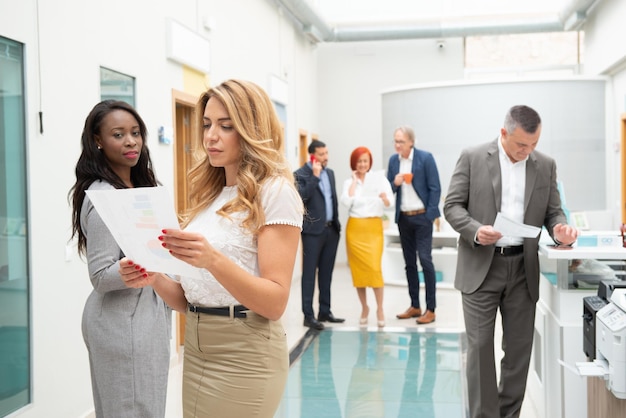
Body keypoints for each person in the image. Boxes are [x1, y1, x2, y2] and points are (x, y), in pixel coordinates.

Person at [119, 79, 303, 418]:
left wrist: (212, 259)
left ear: (251, 129)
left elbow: (275, 302)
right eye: (206, 124)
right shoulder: (211, 196)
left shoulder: (275, 191)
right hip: (199, 345)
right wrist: (155, 275)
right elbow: (188, 301)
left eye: (226, 126)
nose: (210, 136)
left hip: (246, 354)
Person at [443, 105, 578, 418]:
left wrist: (561, 231)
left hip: (522, 269)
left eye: (534, 145)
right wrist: (476, 230)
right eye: (521, 145)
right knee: (479, 350)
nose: (527, 151)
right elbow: (452, 207)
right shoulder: (473, 157)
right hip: (481, 266)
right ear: (504, 133)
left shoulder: (545, 165)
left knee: (518, 353)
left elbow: (553, 212)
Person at [69, 100, 171, 417]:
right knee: (132, 410)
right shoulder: (104, 197)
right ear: (98, 141)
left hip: (147, 317)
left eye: (135, 132)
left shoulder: (140, 187)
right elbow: (100, 275)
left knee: (145, 407)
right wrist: (129, 269)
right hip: (121, 322)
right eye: (118, 134)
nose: (131, 141)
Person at [387, 126, 441, 325]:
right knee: (409, 263)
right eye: (395, 141)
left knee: (425, 261)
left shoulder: (425, 158)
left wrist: (429, 215)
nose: (397, 145)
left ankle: (431, 309)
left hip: (422, 218)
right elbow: (387, 188)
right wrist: (395, 182)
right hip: (404, 218)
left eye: (401, 141)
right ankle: (415, 305)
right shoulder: (394, 161)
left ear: (411, 142)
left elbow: (435, 188)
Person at [294, 139, 345, 330]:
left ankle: (325, 311)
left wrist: (337, 225)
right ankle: (308, 315)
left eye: (327, 153)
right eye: (322, 154)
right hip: (312, 233)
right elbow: (301, 198)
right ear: (313, 156)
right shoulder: (300, 174)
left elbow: (333, 200)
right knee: (309, 275)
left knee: (326, 273)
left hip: (331, 230)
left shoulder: (330, 173)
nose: (326, 157)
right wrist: (314, 177)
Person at [340, 146, 393, 327]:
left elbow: (389, 203)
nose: (363, 164)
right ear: (354, 163)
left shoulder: (380, 180)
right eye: (359, 161)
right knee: (359, 273)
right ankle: (364, 307)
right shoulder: (349, 183)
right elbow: (347, 201)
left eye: (365, 161)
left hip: (373, 229)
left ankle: (380, 308)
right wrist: (355, 181)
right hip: (355, 229)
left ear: (370, 163)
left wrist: (384, 197)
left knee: (375, 269)